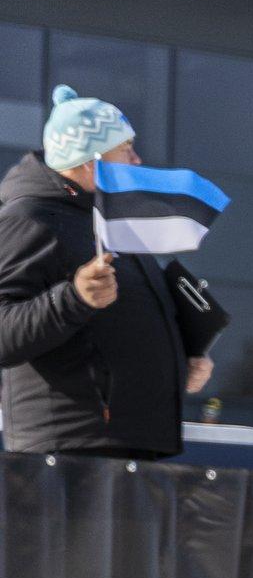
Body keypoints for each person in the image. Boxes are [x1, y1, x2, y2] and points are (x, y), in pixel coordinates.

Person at [0, 85, 211, 459]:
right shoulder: (29, 218)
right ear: (90, 161)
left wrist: (184, 358)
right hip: (71, 451)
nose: (137, 160)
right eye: (126, 149)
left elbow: (127, 321)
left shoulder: (113, 220)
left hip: (137, 443)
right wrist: (75, 297)